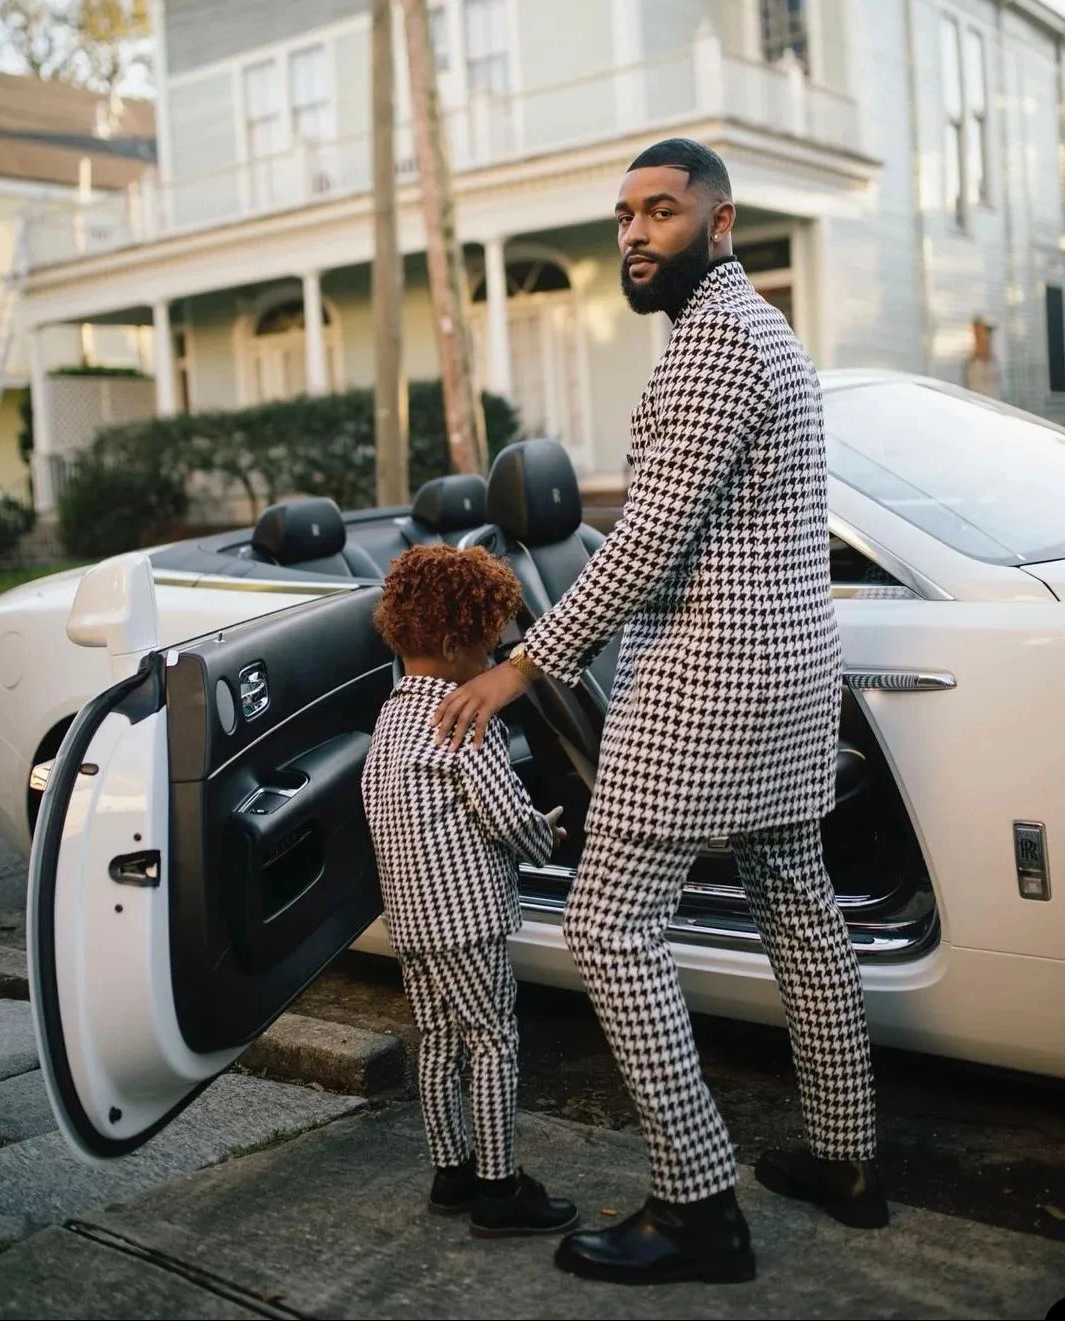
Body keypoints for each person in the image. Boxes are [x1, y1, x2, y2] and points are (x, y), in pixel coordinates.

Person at [433, 138, 886, 1286]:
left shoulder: (714, 346)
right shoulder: (760, 335)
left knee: (605, 924)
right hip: (786, 682)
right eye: (623, 215)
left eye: (662, 213)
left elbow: (643, 543)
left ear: (718, 224)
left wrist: (521, 664)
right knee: (799, 903)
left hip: (707, 691)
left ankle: (696, 1204)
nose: (634, 233)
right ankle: (845, 1159)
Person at [361, 543, 578, 1239]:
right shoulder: (464, 721)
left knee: (434, 1039)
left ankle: (449, 1171)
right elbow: (507, 818)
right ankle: (498, 1185)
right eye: (489, 647)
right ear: (457, 644)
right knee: (491, 1038)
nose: (493, 661)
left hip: (412, 919)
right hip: (466, 918)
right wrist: (549, 836)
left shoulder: (390, 718)